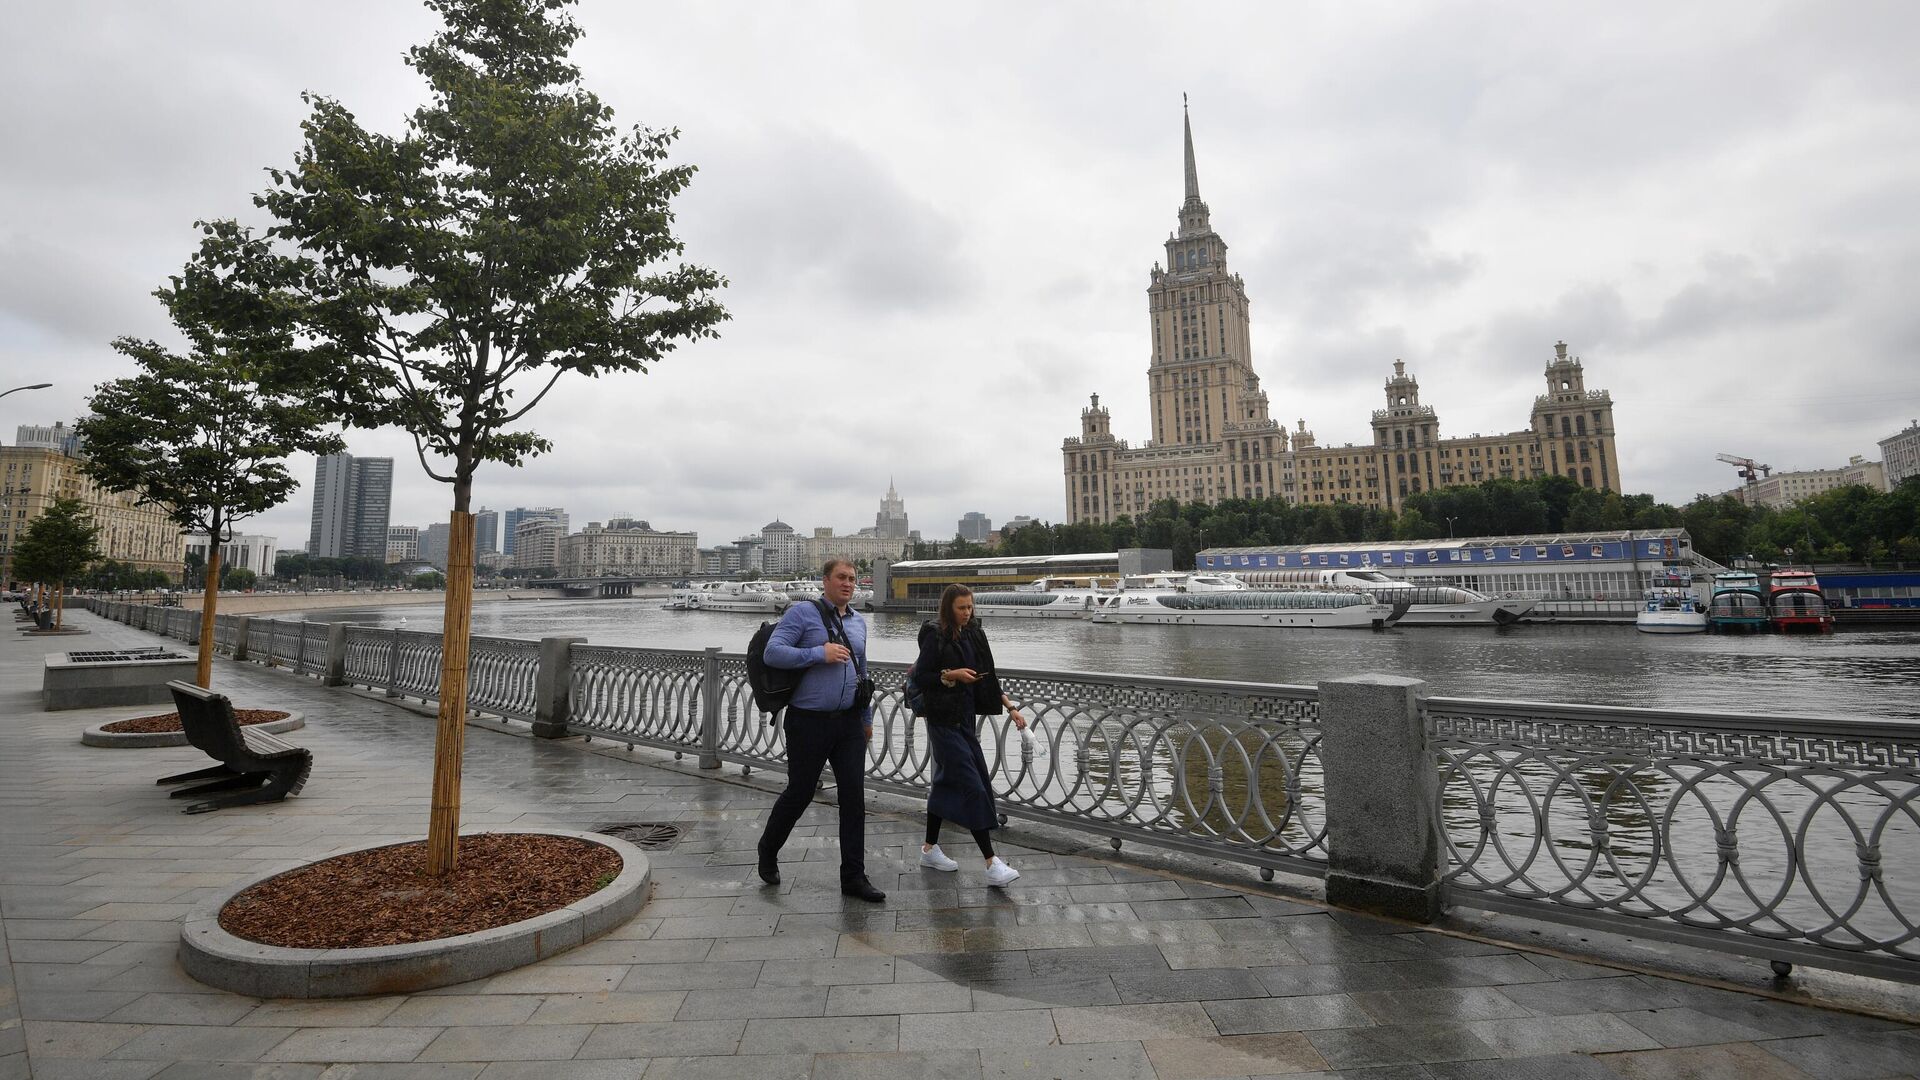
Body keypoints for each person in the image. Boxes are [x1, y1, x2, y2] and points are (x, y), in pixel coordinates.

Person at [754, 559, 885, 902]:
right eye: (841, 577)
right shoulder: (802, 614)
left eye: (853, 579)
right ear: (825, 581)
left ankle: (853, 877)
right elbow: (773, 653)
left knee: (854, 799)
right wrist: (818, 653)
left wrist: (867, 718)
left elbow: (863, 671)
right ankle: (768, 849)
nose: (848, 584)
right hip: (808, 722)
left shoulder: (858, 623)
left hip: (849, 723)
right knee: (800, 792)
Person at [910, 583, 1027, 886]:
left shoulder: (974, 632)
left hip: (962, 719)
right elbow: (921, 675)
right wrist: (951, 675)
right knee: (973, 784)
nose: (967, 612)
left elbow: (988, 677)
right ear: (949, 607)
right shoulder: (935, 635)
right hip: (941, 720)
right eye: (961, 608)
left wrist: (1011, 707)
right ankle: (991, 863)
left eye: (970, 607)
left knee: (946, 781)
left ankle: (929, 849)